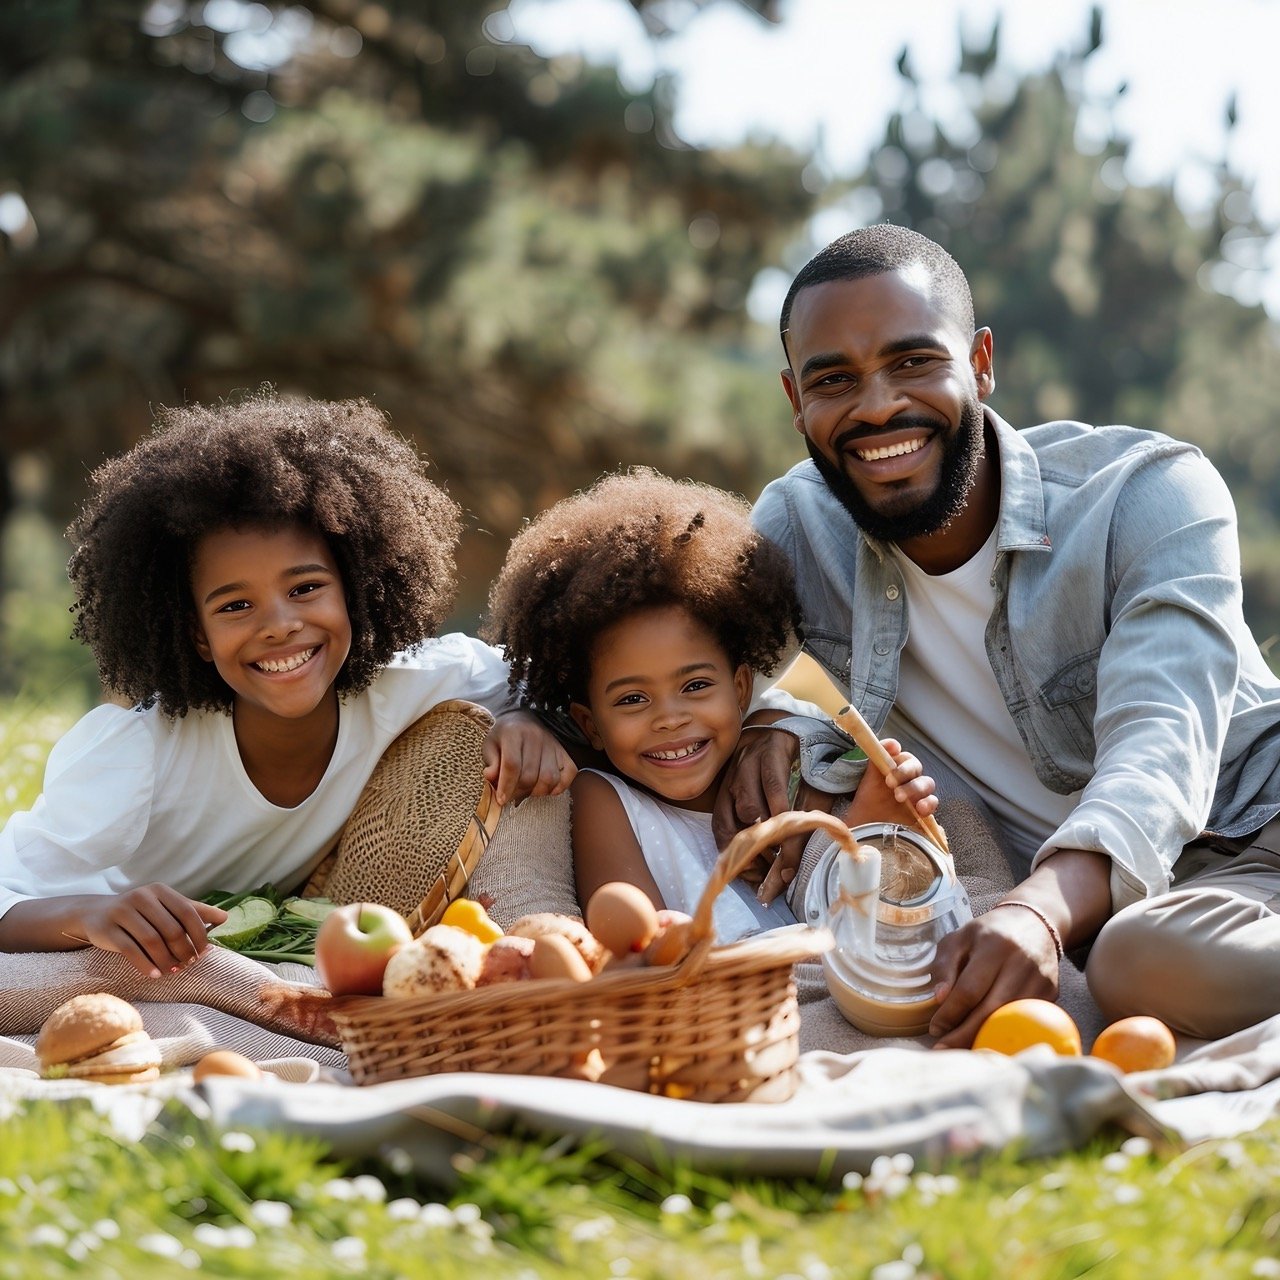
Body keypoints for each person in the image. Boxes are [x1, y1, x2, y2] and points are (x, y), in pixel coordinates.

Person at [713, 222, 1280, 1047]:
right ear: (797, 402)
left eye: (913, 362)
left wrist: (1037, 911)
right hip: (1061, 905)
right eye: (834, 380)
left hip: (1245, 840)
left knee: (1136, 966)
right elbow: (653, 659)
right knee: (1116, 960)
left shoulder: (1146, 495)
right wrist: (777, 717)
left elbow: (1163, 748)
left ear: (980, 362)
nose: (877, 407)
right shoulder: (795, 527)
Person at [0, 390, 573, 978]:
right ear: (196, 636)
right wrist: (91, 913)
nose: (279, 626)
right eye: (235, 606)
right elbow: (7, 895)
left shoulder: (413, 684)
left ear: (354, 589)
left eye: (305, 589)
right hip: (137, 961)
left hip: (289, 949)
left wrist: (527, 717)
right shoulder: (140, 754)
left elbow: (550, 684)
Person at [483, 468, 937, 940]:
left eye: (696, 685)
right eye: (633, 698)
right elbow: (642, 947)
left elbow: (867, 921)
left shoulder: (790, 770)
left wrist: (871, 826)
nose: (671, 718)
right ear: (589, 723)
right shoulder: (604, 802)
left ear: (741, 688)